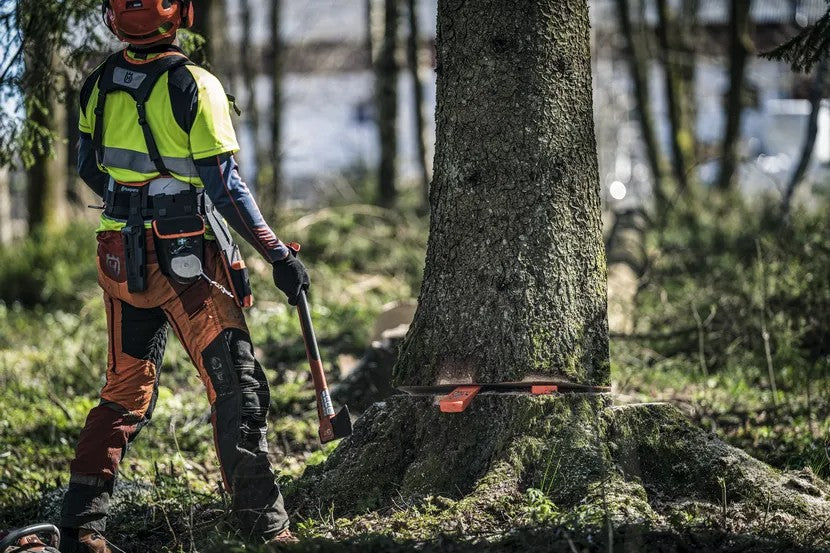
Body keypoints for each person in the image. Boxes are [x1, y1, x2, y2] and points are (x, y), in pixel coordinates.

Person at [58, 1, 308, 551]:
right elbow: (225, 187)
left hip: (120, 256)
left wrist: (133, 204)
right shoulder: (196, 84)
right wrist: (277, 255)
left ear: (112, 18)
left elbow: (86, 168)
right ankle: (266, 530)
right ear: (182, 16)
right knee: (236, 387)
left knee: (123, 391)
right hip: (187, 260)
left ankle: (80, 527)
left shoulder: (98, 84)